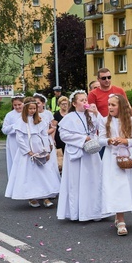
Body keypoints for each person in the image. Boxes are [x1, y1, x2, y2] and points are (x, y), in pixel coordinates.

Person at [99, 94, 132, 236]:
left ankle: (119, 215)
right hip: (112, 159)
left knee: (128, 186)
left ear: (121, 107)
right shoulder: (105, 121)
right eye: (109, 104)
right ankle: (121, 219)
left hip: (128, 157)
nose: (110, 107)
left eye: (113, 105)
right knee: (118, 187)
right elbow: (100, 140)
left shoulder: (131, 121)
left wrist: (124, 141)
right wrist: (110, 141)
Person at [56, 90, 104, 222]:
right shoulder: (69, 118)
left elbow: (103, 126)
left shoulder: (91, 115)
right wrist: (83, 138)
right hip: (77, 154)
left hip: (91, 153)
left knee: (93, 180)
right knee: (77, 182)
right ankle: (78, 212)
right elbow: (64, 135)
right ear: (74, 103)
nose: (85, 102)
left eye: (86, 100)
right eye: (82, 100)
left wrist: (96, 113)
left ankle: (95, 211)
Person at [4, 98, 60, 208]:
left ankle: (46, 196)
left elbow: (44, 135)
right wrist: (28, 151)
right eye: (30, 109)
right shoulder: (21, 122)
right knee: (29, 174)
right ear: (26, 109)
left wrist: (47, 149)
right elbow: (19, 139)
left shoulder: (40, 120)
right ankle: (32, 197)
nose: (33, 111)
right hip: (28, 151)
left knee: (44, 173)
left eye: (34, 108)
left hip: (40, 149)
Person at [1, 96, 24, 178]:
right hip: (13, 142)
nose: (17, 107)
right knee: (15, 161)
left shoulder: (27, 113)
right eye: (15, 105)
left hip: (25, 141)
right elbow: (4, 130)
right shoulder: (10, 115)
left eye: (19, 104)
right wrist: (15, 126)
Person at [53, 95, 70, 171]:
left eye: (66, 104)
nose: (64, 105)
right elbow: (54, 126)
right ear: (59, 105)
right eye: (62, 104)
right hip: (59, 136)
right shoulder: (56, 114)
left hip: (69, 135)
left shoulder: (70, 113)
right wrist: (53, 139)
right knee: (61, 153)